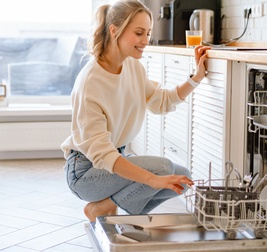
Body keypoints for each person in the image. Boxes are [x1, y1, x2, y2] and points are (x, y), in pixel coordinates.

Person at [61, 0, 210, 222]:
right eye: (139, 33)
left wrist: (196, 77)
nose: (145, 41)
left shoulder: (132, 66)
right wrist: (151, 179)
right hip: (85, 172)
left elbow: (162, 101)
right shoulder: (90, 82)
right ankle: (99, 209)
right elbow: (102, 154)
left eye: (148, 33)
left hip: (115, 156)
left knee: (182, 178)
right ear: (114, 31)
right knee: (162, 169)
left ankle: (107, 206)